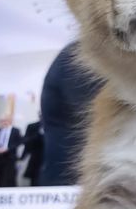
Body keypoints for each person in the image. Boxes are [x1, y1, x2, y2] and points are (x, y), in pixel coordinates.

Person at [41, 42, 104, 185]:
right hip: (72, 181)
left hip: (76, 176)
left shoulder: (77, 54)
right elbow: (94, 116)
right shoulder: (80, 56)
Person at [21, 117, 44, 186]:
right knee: (35, 182)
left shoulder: (56, 127)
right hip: (35, 159)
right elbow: (26, 142)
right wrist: (39, 134)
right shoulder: (32, 126)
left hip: (52, 161)